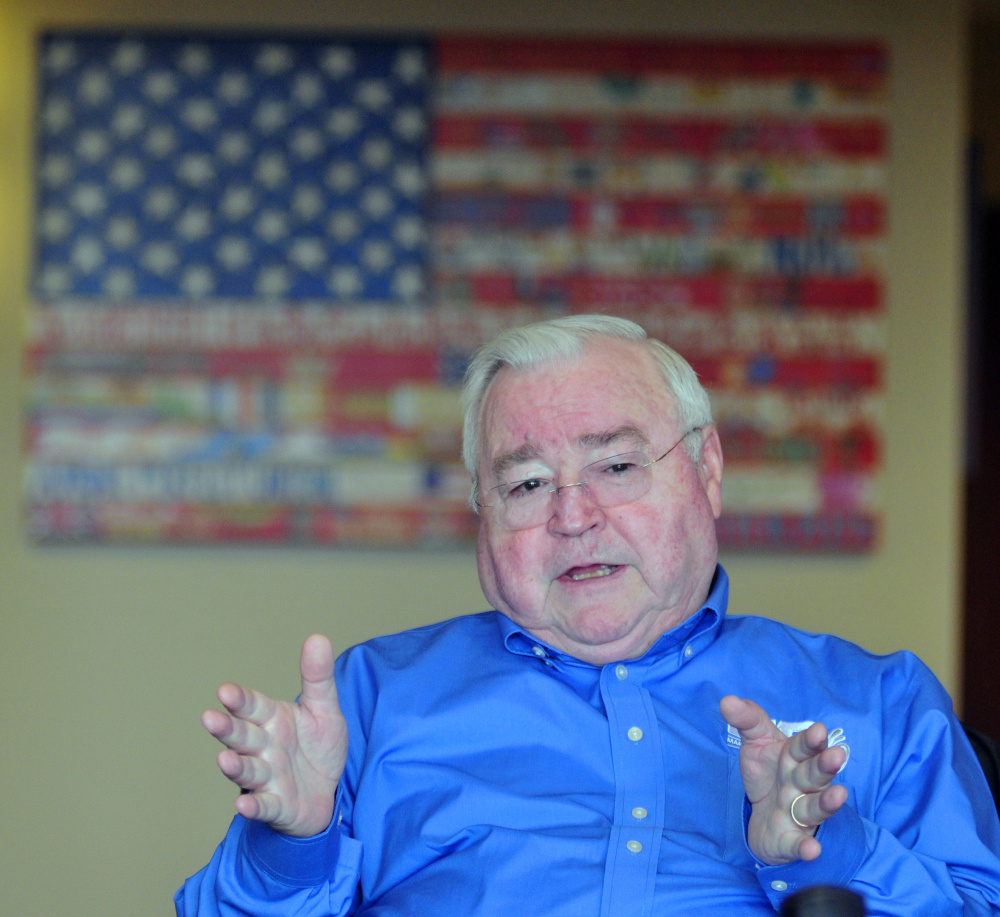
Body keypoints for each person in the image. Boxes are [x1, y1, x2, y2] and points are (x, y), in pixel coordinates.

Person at [176, 315, 1000, 916]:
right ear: (480, 509)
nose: (575, 516)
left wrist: (828, 854)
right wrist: (295, 844)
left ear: (706, 470)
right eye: (528, 482)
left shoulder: (881, 699)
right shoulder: (373, 699)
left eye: (615, 464)